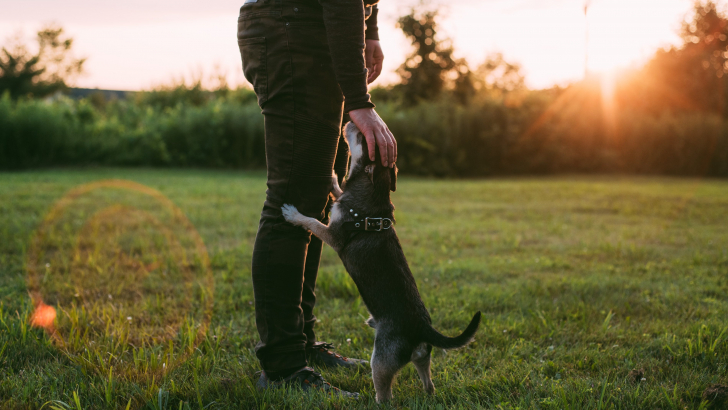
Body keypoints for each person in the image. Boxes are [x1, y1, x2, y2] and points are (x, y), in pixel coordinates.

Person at [236, 0, 397, 397]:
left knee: (317, 201)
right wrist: (359, 101)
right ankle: (282, 366)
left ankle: (301, 344)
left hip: (311, 28)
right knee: (291, 203)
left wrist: (370, 28)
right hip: (292, 30)